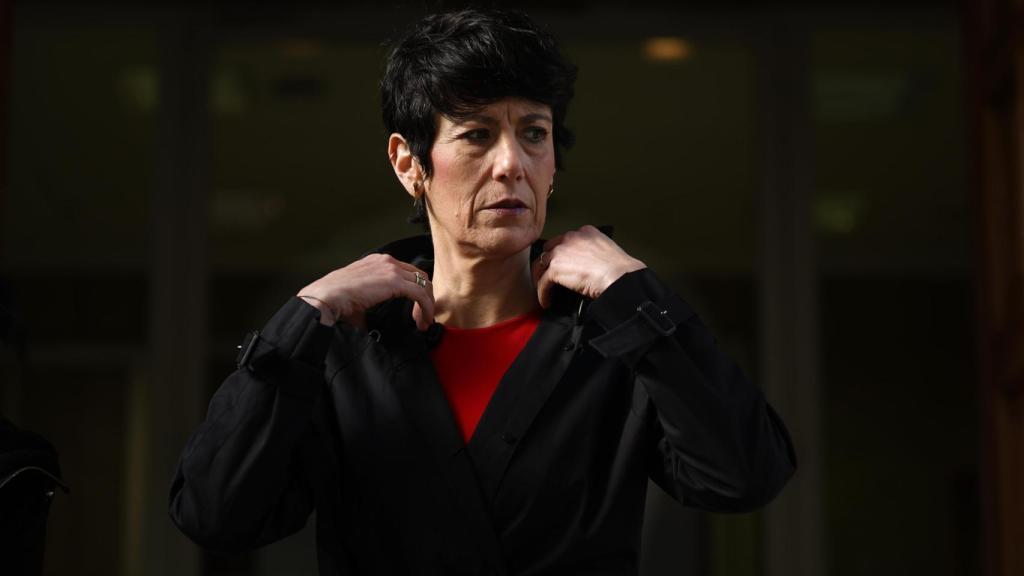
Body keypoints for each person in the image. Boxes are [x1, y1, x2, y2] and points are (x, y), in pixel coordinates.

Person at [169, 8, 796, 575]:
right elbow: (215, 514)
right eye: (476, 134)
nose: (511, 163)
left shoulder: (616, 339)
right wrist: (302, 319)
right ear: (408, 164)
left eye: (534, 133)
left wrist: (634, 295)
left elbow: (744, 477)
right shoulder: (343, 347)